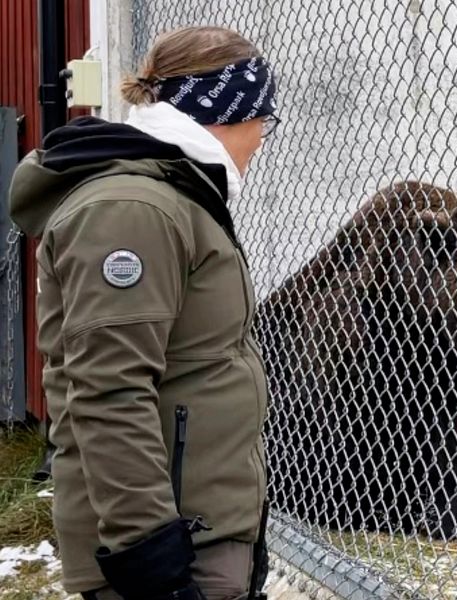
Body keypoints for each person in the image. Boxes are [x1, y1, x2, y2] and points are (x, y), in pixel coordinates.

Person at [9, 25, 278, 600]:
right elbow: (109, 389)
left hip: (198, 524)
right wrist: (149, 554)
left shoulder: (176, 197)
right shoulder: (134, 210)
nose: (261, 137)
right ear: (225, 111)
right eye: (262, 118)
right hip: (166, 545)